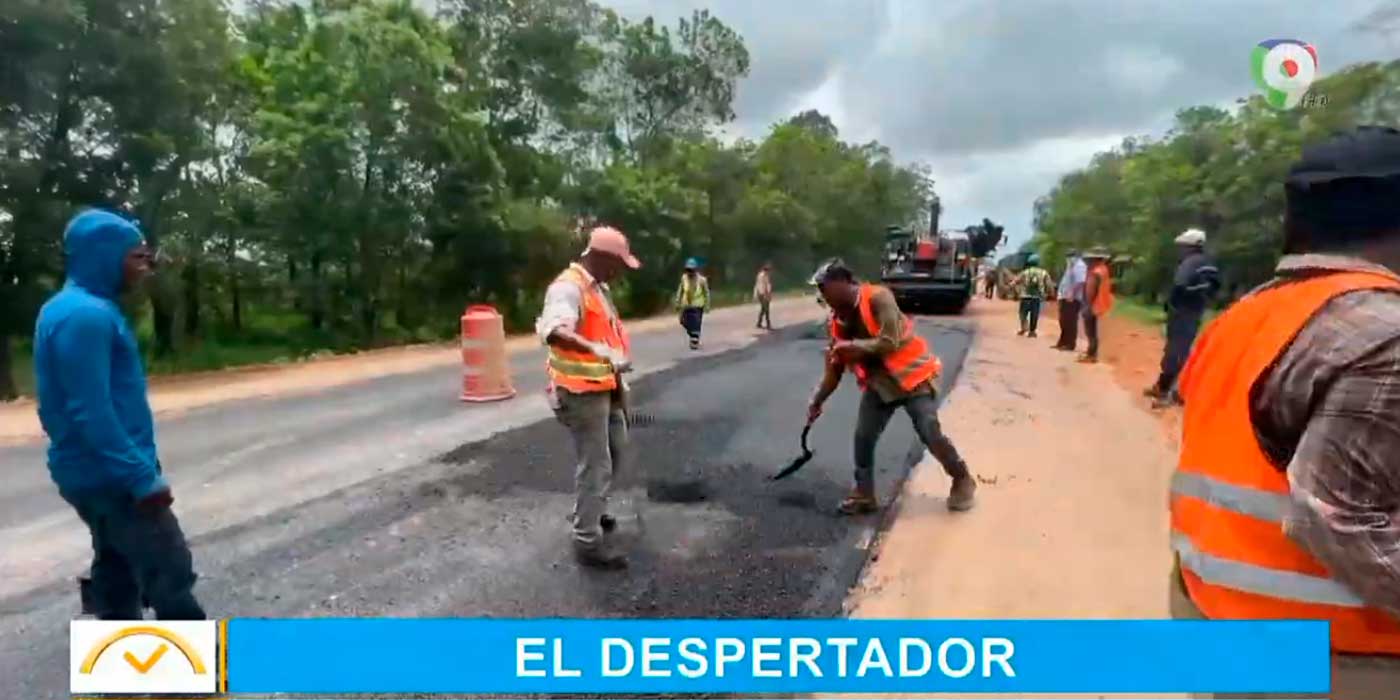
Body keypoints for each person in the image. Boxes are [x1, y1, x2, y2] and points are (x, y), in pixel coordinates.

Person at [1168, 126, 1400, 698]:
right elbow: (1341, 521)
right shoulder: (1384, 334)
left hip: (1209, 615)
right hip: (1335, 656)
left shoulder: (1243, 317)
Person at [33, 209, 205, 620]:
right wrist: (140, 476)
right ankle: (187, 679)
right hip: (112, 476)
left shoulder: (69, 308)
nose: (145, 269)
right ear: (103, 255)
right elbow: (90, 410)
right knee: (170, 569)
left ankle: (120, 673)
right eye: (138, 257)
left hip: (92, 471)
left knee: (116, 566)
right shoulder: (85, 316)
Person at [805, 259, 977, 515]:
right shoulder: (837, 323)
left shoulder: (878, 298)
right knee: (863, 438)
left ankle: (962, 478)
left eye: (824, 288)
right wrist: (817, 401)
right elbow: (834, 370)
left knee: (929, 430)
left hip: (913, 377)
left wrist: (853, 348)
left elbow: (890, 341)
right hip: (881, 385)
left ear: (842, 283)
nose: (822, 295)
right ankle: (864, 494)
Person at [536, 226, 641, 569]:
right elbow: (556, 331)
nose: (620, 271)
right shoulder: (568, 287)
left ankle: (595, 509)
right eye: (618, 264)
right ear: (601, 257)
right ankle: (587, 540)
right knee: (595, 463)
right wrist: (597, 350)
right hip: (580, 393)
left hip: (604, 388)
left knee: (616, 450)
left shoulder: (598, 287)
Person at [1145, 229, 1219, 408]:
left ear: (1190, 246)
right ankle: (1163, 387)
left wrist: (1171, 303)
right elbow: (1215, 287)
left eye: (1182, 246)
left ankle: (1169, 393)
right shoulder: (1208, 263)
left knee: (1176, 353)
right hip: (1195, 311)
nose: (1180, 249)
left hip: (1182, 311)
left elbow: (1179, 285)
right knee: (1179, 350)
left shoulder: (1190, 262)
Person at [1077, 249, 1113, 364]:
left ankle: (1091, 354)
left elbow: (1090, 289)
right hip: (1100, 303)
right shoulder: (1103, 270)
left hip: (1092, 304)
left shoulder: (1094, 272)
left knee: (1090, 330)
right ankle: (1092, 353)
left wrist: (1087, 304)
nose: (1087, 262)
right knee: (1093, 330)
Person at [1053, 250, 1087, 351]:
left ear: (1076, 256)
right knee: (1063, 321)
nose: (1068, 259)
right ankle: (1062, 342)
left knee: (1070, 321)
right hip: (1065, 297)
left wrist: (1072, 293)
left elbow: (1080, 281)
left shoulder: (1079, 266)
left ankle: (1070, 344)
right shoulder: (1071, 266)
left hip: (1073, 299)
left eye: (1070, 256)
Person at [1013, 254, 1054, 337]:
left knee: (1023, 314)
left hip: (1025, 297)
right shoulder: (1043, 273)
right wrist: (1050, 293)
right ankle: (1032, 331)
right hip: (1037, 297)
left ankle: (1024, 328)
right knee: (1034, 315)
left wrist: (1016, 291)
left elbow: (1015, 282)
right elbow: (1049, 285)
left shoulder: (1025, 272)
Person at [675, 258, 710, 350]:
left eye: (692, 270)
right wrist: (677, 302)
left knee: (696, 324)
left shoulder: (702, 280)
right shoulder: (684, 278)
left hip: (697, 306)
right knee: (683, 321)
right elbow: (680, 290)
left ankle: (694, 341)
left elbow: (706, 293)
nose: (690, 272)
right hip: (686, 305)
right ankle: (693, 336)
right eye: (688, 270)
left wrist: (707, 305)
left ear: (695, 269)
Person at [753, 262, 774, 330]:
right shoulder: (764, 276)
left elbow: (757, 285)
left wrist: (755, 294)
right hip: (763, 294)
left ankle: (759, 323)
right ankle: (768, 324)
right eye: (769, 270)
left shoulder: (760, 275)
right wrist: (767, 294)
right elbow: (766, 286)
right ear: (767, 270)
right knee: (766, 309)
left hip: (761, 294)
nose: (770, 272)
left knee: (763, 309)